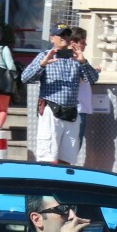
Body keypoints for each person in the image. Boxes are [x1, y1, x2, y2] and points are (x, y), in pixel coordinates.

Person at [20, 26, 99, 165]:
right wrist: (43, 64)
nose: (64, 38)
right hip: (51, 109)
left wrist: (83, 62)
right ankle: (46, 182)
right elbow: (25, 78)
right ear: (52, 38)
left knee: (67, 158)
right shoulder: (44, 55)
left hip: (71, 111)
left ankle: (62, 184)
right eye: (60, 35)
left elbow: (93, 79)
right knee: (48, 156)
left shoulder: (76, 58)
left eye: (67, 35)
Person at [70, 28, 94, 159]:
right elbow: (77, 78)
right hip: (76, 108)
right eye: (83, 42)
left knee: (76, 142)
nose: (85, 45)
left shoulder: (81, 60)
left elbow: (92, 77)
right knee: (74, 142)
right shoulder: (71, 60)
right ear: (74, 43)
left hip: (81, 107)